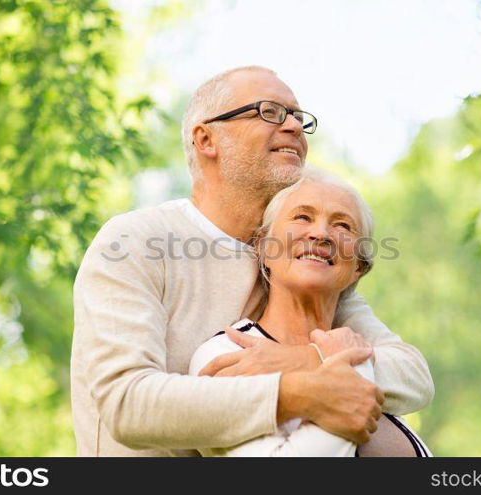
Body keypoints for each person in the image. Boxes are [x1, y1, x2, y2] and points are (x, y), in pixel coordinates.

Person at [71, 66, 434, 456]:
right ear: (206, 139)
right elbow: (127, 404)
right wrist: (296, 392)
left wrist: (305, 360)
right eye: (269, 112)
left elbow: (411, 375)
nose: (294, 126)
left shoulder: (298, 266)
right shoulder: (136, 241)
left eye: (298, 116)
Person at [189, 168, 432, 457]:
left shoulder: (359, 350)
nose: (320, 234)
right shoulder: (227, 352)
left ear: (358, 268)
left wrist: (325, 360)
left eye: (343, 226)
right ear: (264, 248)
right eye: (302, 217)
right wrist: (350, 368)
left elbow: (418, 381)